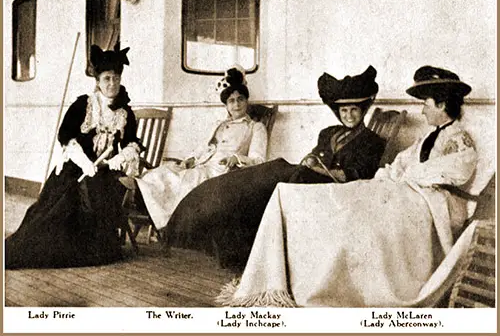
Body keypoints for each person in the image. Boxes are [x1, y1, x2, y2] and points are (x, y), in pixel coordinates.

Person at [216, 65, 478, 307]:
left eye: (427, 104)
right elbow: (400, 163)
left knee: (351, 205)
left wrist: (406, 177)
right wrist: (387, 177)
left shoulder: (458, 138)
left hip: (431, 200)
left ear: (442, 104)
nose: (423, 110)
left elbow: (458, 169)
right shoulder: (427, 138)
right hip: (404, 188)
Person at [165, 65, 386, 269]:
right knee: (254, 181)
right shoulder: (329, 132)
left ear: (363, 110)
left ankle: (240, 253)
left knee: (271, 177)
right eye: (344, 111)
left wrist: (316, 167)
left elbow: (358, 176)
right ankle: (225, 243)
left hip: (331, 188)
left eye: (354, 110)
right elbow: (313, 155)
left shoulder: (372, 141)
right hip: (306, 177)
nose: (348, 115)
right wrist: (310, 160)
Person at [5, 43, 142, 269]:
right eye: (107, 78)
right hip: (77, 168)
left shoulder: (126, 113)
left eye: (116, 78)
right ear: (97, 81)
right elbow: (67, 137)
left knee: (99, 190)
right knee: (59, 207)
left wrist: (117, 158)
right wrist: (84, 162)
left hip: (104, 170)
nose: (112, 83)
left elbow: (131, 143)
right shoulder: (84, 105)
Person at [124, 65, 268, 231]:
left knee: (180, 180)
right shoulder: (219, 125)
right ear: (226, 106)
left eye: (240, 99)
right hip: (201, 165)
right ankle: (145, 207)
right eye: (231, 101)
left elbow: (259, 160)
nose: (236, 105)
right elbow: (202, 148)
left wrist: (236, 159)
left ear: (246, 101)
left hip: (221, 173)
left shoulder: (255, 127)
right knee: (162, 172)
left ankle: (166, 223)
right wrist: (190, 159)